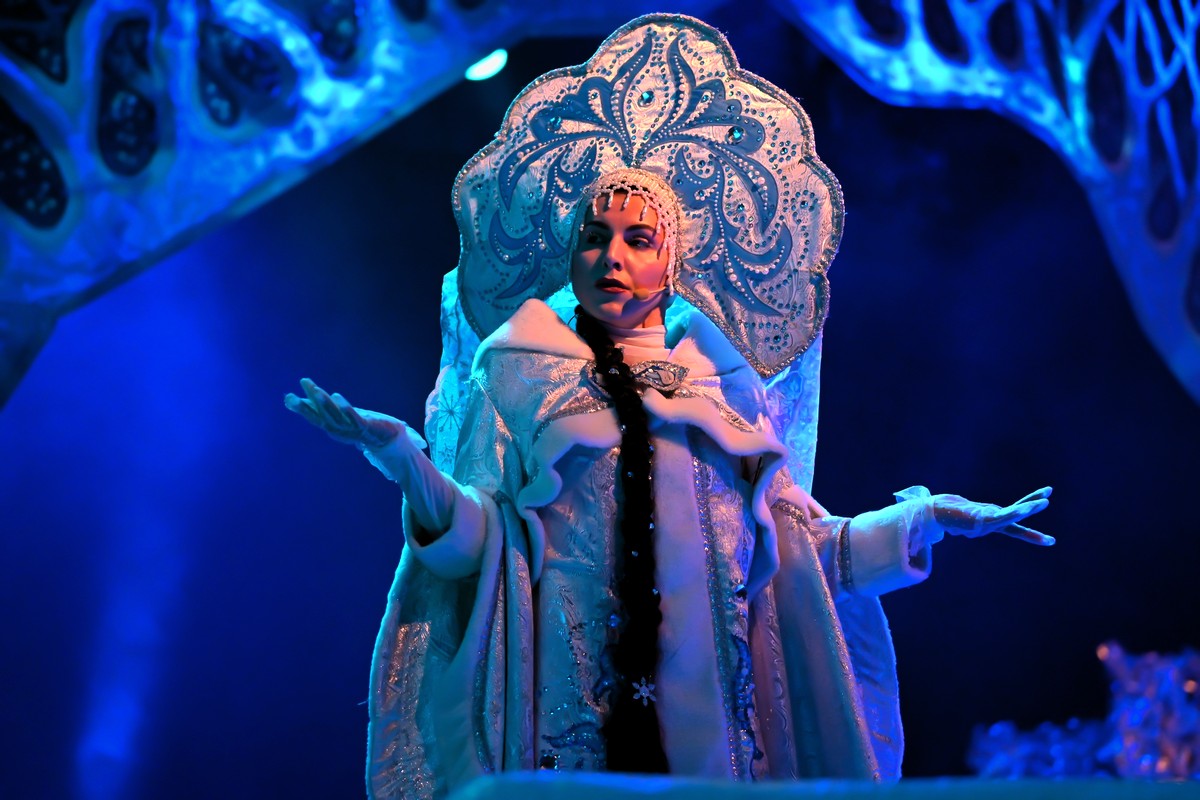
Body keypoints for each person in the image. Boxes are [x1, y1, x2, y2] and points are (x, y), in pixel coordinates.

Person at [285, 14, 1053, 800]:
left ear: (672, 259)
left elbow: (794, 558)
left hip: (707, 736)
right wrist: (404, 458)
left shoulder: (721, 389)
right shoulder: (517, 372)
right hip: (566, 729)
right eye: (594, 237)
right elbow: (482, 545)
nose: (611, 256)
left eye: (637, 239)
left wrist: (924, 521)